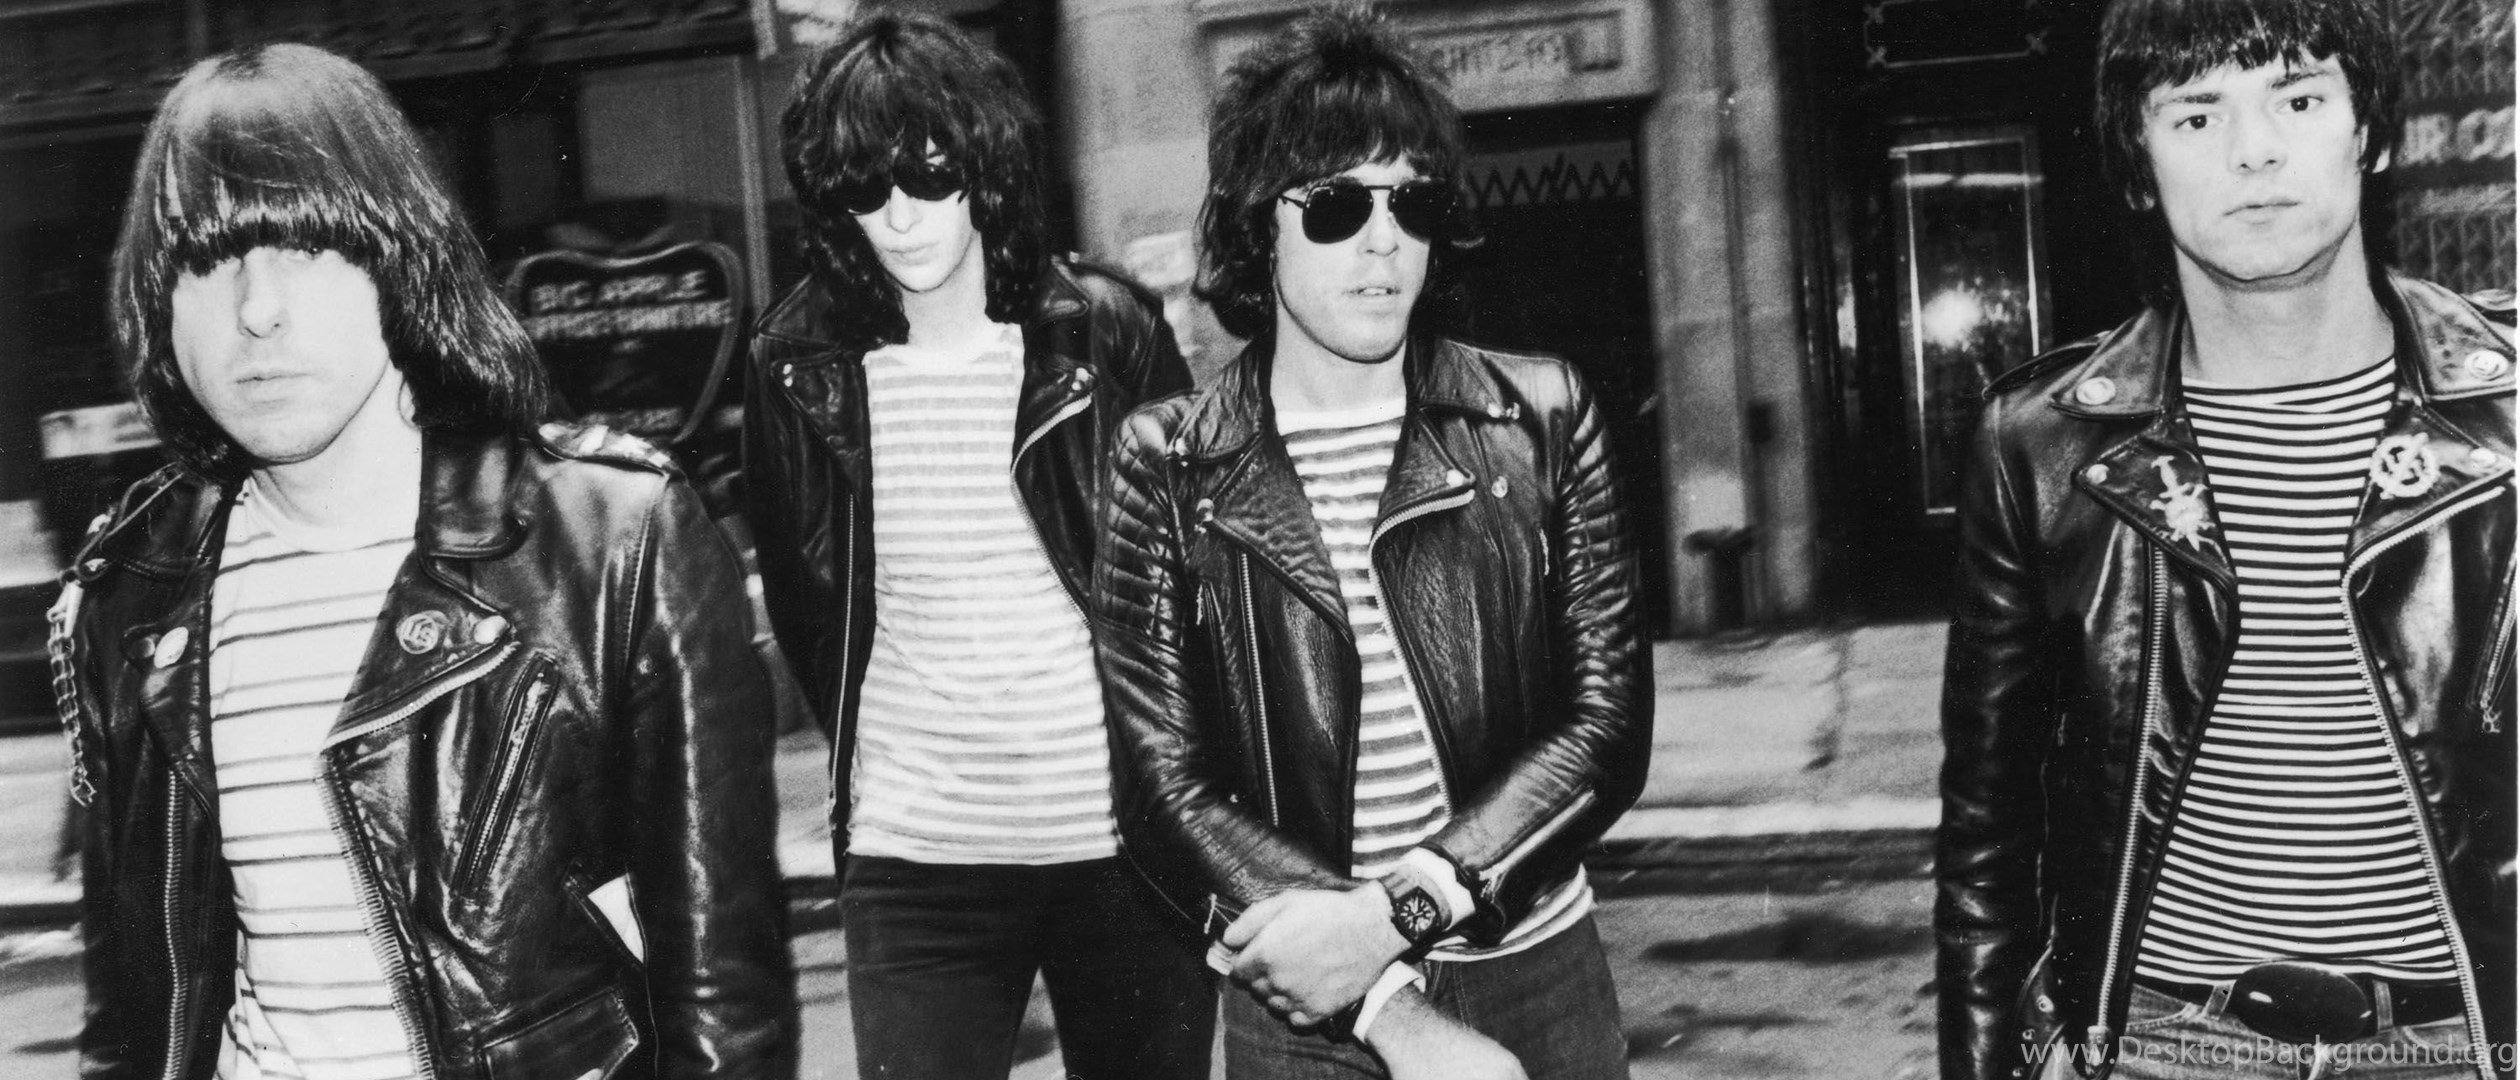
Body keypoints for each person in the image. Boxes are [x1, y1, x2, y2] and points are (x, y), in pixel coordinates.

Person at [53, 42, 798, 1080]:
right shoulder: (132, 593)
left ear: (397, 262)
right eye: (207, 261)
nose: (256, 310)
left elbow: (722, 1002)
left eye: (303, 249)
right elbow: (130, 1021)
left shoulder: (611, 539)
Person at [1935, 0, 2514, 1076]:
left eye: (2298, 99)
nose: (2254, 151)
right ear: (2138, 163)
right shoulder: (2042, 447)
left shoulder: (2507, 419)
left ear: (2368, 132)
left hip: (2476, 1045)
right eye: (2196, 116)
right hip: (2159, 1046)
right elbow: (1986, 835)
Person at [1093, 7, 1649, 1079]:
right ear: (1257, 226)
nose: (1383, 241)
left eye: (1414, 202)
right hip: (1304, 1007)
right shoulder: (1168, 464)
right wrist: (1386, 1002)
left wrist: (1405, 908)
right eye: (1338, 204)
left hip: (1537, 972)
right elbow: (1162, 793)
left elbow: (1606, 731)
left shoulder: (1539, 417)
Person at [742, 11, 1211, 1080]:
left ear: (985, 165)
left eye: (928, 174)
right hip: (918, 863)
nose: (900, 216)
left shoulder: (1104, 331)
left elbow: (1196, 583)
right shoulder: (796, 366)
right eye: (866, 188)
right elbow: (818, 623)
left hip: (1125, 850)